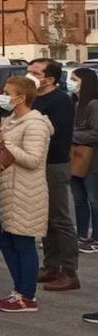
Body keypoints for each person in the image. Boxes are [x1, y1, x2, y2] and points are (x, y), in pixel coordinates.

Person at [0, 77, 52, 314]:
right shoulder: (9, 120)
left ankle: (27, 295)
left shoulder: (35, 124)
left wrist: (6, 144)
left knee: (23, 242)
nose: (3, 96)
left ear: (21, 97)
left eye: (8, 93)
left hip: (27, 191)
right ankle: (18, 290)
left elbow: (33, 159)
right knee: (4, 240)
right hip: (7, 189)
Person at [31, 58, 80, 291]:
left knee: (60, 218)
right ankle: (51, 266)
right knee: (45, 217)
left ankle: (70, 271)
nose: (29, 75)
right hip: (37, 164)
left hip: (54, 164)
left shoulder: (60, 101)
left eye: (35, 72)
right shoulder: (33, 98)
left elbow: (56, 136)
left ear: (49, 79)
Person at [70, 67, 98, 254]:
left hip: (92, 158)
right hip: (75, 156)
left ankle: (96, 237)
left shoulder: (94, 104)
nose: (70, 82)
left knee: (93, 199)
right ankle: (82, 235)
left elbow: (95, 133)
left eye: (74, 79)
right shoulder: (76, 102)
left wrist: (70, 135)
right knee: (79, 199)